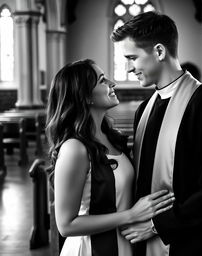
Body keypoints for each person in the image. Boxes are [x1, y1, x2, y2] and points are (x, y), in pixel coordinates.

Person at [111, 11, 202, 256]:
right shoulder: (144, 110)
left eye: (132, 58)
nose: (128, 69)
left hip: (192, 245)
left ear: (159, 52)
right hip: (146, 243)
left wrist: (157, 225)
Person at [45, 59, 175, 256]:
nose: (112, 83)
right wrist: (131, 215)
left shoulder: (111, 137)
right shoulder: (75, 148)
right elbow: (66, 225)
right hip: (90, 249)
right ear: (85, 95)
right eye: (102, 80)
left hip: (123, 245)